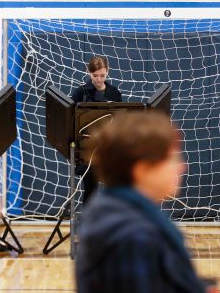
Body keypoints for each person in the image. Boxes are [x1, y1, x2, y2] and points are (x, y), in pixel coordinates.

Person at [76, 111, 208, 293]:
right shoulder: (134, 238)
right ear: (141, 169)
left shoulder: (110, 210)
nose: (182, 166)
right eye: (172, 158)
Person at [70, 56, 122, 203]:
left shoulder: (115, 93)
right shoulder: (80, 93)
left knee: (116, 187)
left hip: (109, 147)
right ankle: (88, 221)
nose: (98, 79)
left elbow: (120, 121)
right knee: (91, 188)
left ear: (108, 72)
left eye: (102, 76)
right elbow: (72, 122)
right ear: (88, 73)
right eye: (95, 76)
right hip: (88, 149)